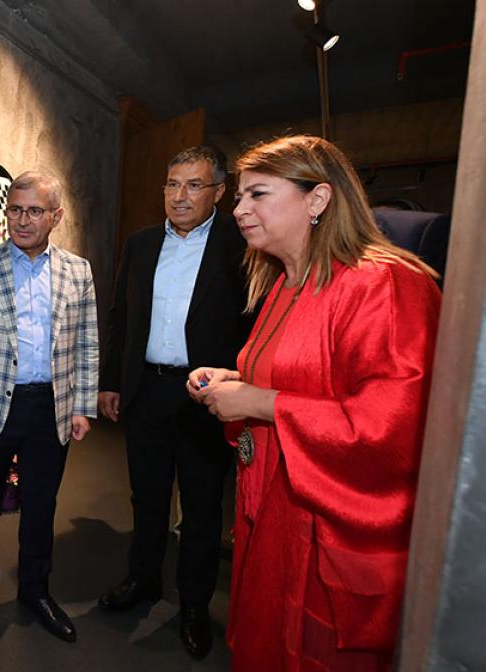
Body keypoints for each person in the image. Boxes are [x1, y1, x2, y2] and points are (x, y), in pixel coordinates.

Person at [188, 135, 441, 670]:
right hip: (270, 517)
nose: (239, 209)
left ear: (318, 199)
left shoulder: (386, 285)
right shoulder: (285, 284)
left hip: (325, 534)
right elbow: (304, 379)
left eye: (258, 194)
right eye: (239, 197)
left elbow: (396, 430)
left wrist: (260, 401)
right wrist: (237, 381)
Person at [96, 146, 253, 659]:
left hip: (206, 397)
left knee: (203, 507)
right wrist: (112, 381)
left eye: (193, 185)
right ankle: (143, 580)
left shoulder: (242, 246)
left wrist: (243, 389)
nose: (179, 195)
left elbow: (253, 325)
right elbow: (120, 317)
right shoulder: (141, 244)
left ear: (218, 192)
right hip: (147, 392)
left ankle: (193, 606)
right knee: (147, 496)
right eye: (172, 184)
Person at [0, 171, 98, 646]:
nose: (22, 220)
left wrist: (83, 405)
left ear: (56, 216)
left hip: (50, 406)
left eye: (34, 211)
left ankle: (35, 591)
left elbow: (87, 343)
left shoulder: (78, 271)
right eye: (15, 209)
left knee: (40, 506)